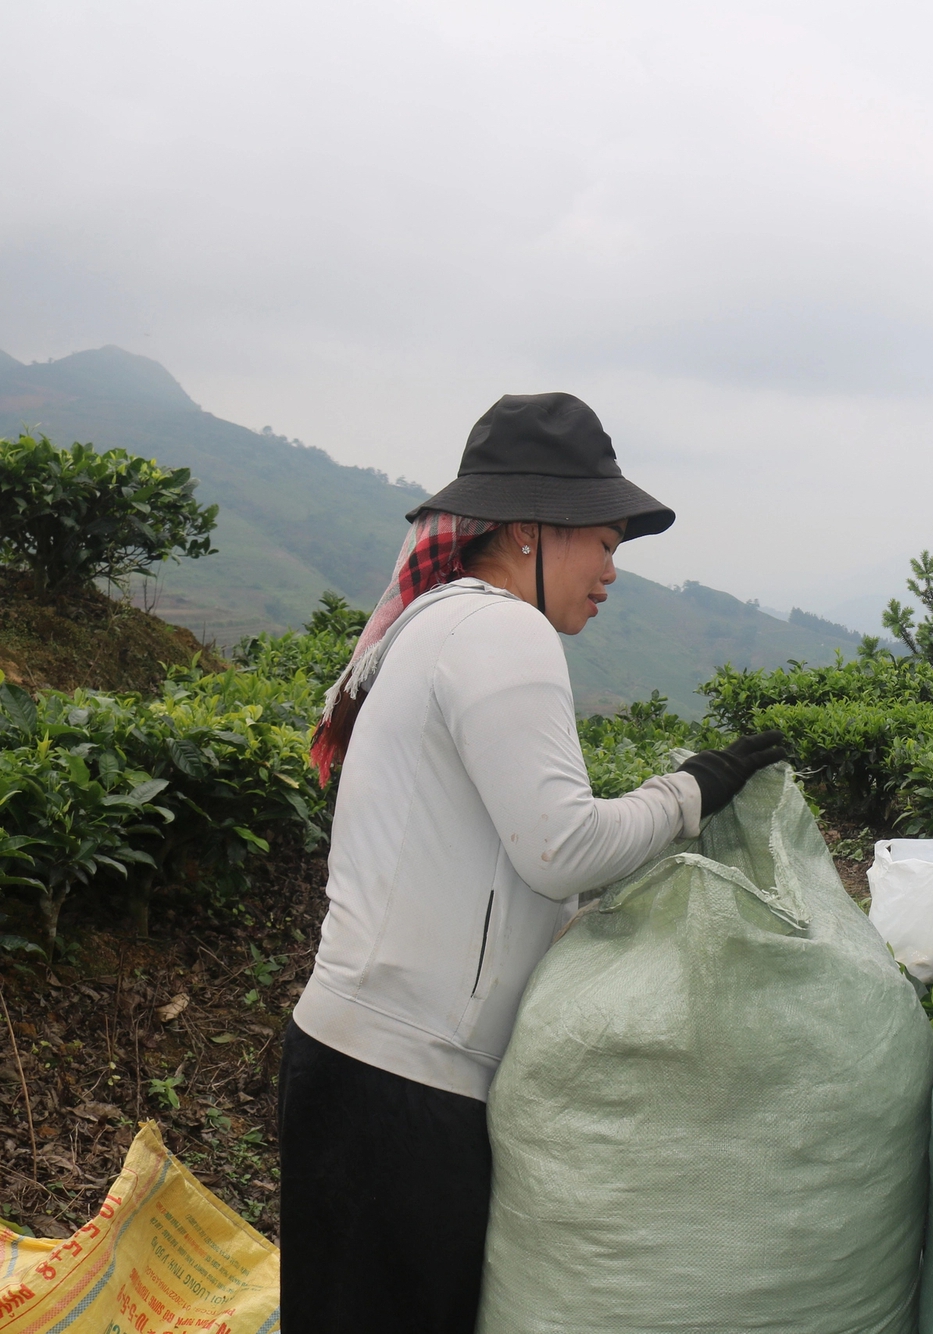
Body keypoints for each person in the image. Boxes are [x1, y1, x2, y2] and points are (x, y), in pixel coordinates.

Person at [279, 392, 785, 1334]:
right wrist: (687, 795)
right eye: (602, 541)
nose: (610, 571)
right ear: (524, 531)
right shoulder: (500, 631)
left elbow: (514, 858)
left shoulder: (442, 626)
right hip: (399, 1085)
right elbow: (560, 850)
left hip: (360, 1063)